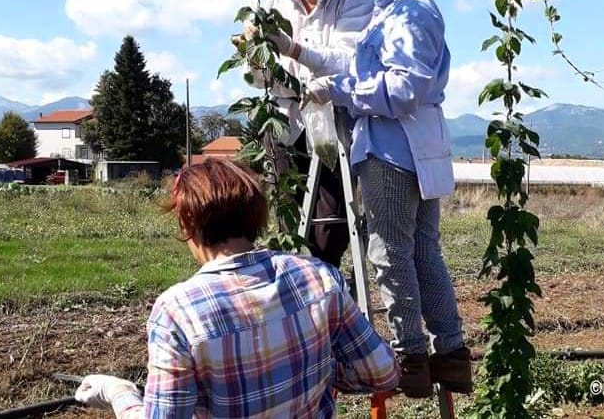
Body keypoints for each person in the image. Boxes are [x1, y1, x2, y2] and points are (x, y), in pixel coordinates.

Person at [74, 159, 399, 418]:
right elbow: (382, 373)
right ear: (255, 215)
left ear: (188, 223)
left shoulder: (178, 310)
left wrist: (118, 393)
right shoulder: (318, 277)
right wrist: (314, 371)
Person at [302, 0, 472, 398]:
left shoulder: (412, 12)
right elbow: (355, 61)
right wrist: (299, 53)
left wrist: (338, 92)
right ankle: (451, 351)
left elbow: (402, 89)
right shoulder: (397, 8)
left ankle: (410, 356)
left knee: (388, 252)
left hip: (393, 150)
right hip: (418, 148)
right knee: (422, 250)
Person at [243, 0, 374, 268]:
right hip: (285, 123)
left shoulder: (356, 5)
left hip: (333, 126)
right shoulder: (274, 5)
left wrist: (292, 49)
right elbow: (259, 81)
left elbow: (347, 63)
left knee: (331, 225)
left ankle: (323, 284)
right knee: (287, 214)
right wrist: (253, 56)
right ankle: (299, 288)